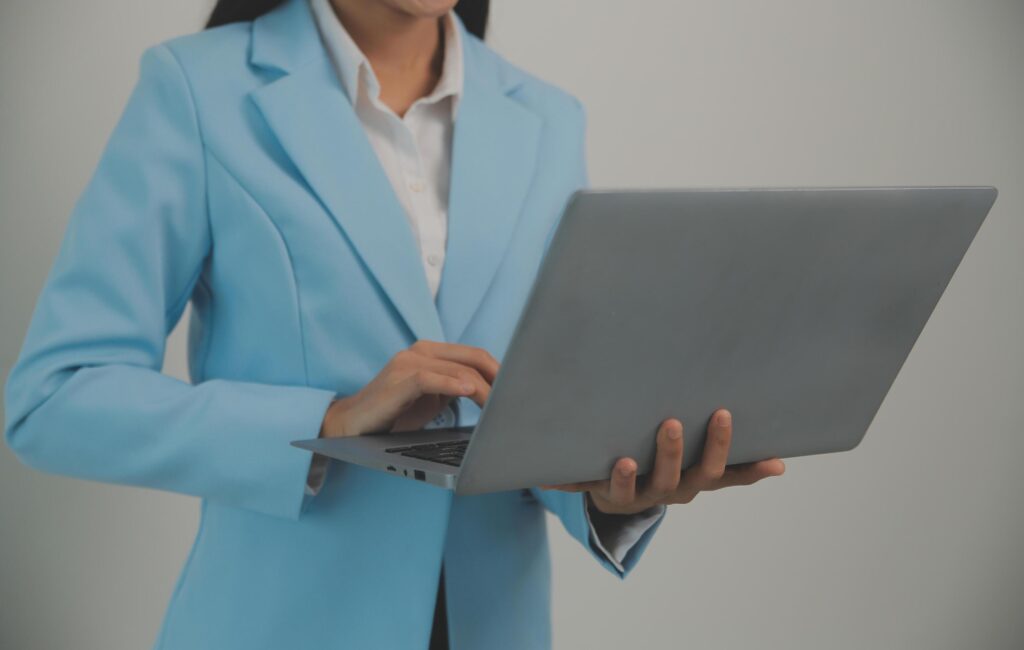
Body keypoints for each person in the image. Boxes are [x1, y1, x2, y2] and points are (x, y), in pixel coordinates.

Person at [2, 0, 786, 648]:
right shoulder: (196, 90)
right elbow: (54, 398)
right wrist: (332, 420)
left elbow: (536, 411)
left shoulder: (549, 119)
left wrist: (611, 496)